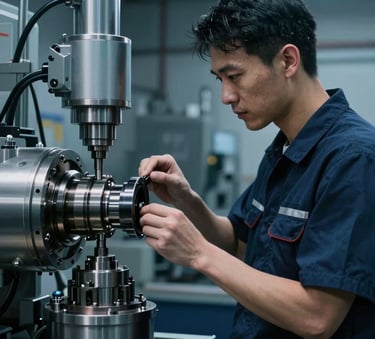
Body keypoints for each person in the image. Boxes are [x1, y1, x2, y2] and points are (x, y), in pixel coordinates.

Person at [138, 0, 375, 337]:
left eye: (234, 76)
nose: (226, 96)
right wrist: (187, 199)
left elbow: (317, 317)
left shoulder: (353, 158)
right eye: (220, 78)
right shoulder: (282, 150)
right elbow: (239, 245)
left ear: (288, 61)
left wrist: (197, 253)